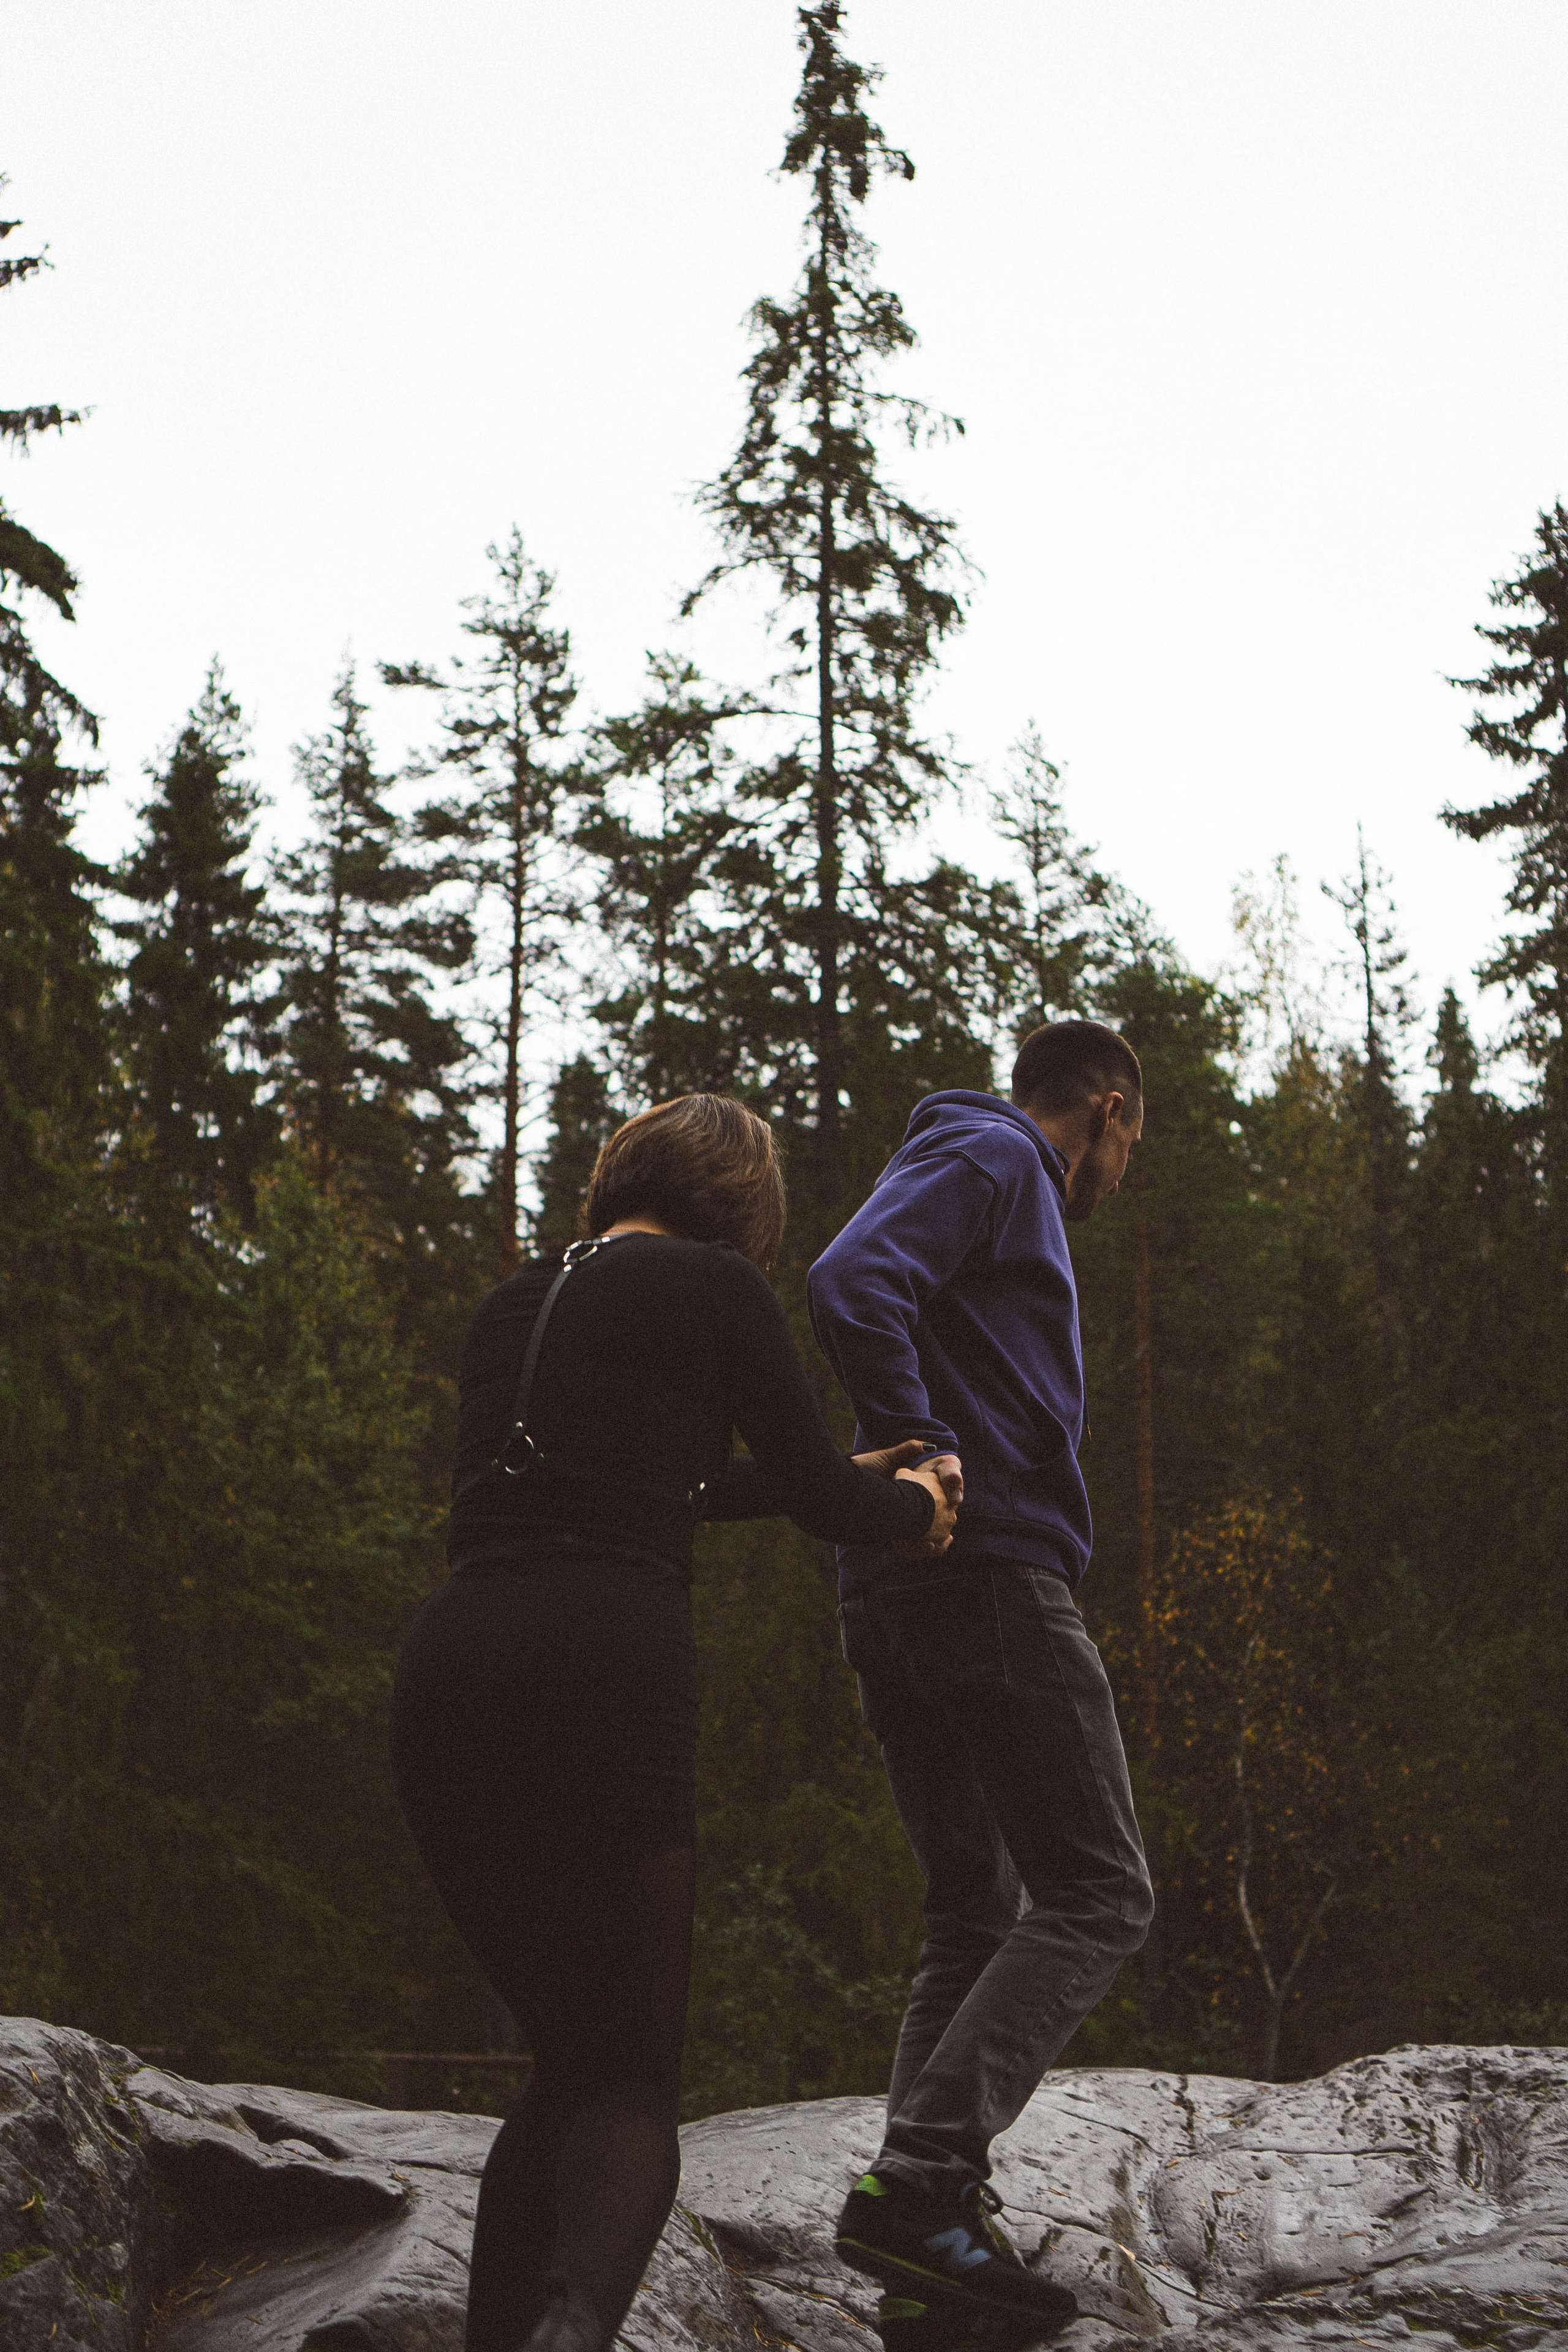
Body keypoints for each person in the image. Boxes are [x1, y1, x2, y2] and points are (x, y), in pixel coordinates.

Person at [390, 1093, 959, 2352]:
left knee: (561, 2061)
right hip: (600, 1663)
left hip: (452, 1668)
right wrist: (911, 1503)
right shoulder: (714, 1286)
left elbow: (663, 1483)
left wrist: (831, 1479)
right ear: (738, 1207)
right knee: (635, 2080)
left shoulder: (516, 1303)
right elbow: (816, 1495)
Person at [805, 1020, 1155, 2328]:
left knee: (972, 1906)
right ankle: (922, 2186)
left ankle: (924, 2246)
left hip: (901, 1595)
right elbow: (851, 1279)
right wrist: (925, 1450)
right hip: (981, 1578)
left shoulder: (981, 1165)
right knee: (1098, 1892)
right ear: (1106, 1110)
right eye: (1130, 1144)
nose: (1122, 1172)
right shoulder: (1002, 1152)